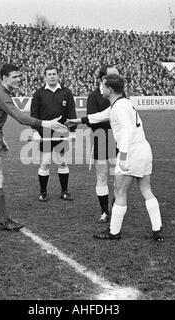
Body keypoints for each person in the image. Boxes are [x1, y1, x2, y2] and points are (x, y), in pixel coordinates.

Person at [66, 74, 164, 241]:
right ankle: (157, 229)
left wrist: (123, 157)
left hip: (131, 152)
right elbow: (102, 115)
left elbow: (126, 132)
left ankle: (114, 232)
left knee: (119, 191)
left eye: (103, 86)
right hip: (144, 149)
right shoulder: (123, 103)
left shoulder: (119, 107)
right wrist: (78, 120)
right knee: (146, 190)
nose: (100, 89)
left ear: (109, 89)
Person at [0, 63, 68, 231]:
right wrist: (46, 123)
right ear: (4, 78)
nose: (19, 79)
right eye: (15, 77)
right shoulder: (1, 94)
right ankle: (4, 221)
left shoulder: (0, 92)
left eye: (19, 76)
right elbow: (19, 117)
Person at [30, 65, 77, 202]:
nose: (52, 76)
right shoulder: (38, 93)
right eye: (49, 74)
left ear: (58, 75)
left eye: (54, 74)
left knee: (62, 162)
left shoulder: (66, 93)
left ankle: (65, 191)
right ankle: (43, 192)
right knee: (45, 162)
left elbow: (71, 113)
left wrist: (73, 131)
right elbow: (33, 115)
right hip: (44, 132)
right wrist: (35, 132)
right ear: (45, 77)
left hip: (61, 132)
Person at [86, 65, 119, 223]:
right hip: (101, 139)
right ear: (103, 79)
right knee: (102, 176)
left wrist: (102, 118)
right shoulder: (93, 96)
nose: (117, 78)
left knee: (119, 177)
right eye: (113, 75)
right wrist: (110, 118)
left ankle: (116, 204)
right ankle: (105, 211)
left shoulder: (121, 94)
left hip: (118, 139)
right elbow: (91, 120)